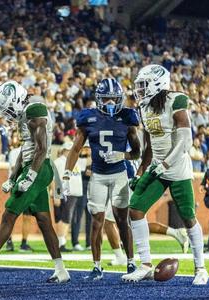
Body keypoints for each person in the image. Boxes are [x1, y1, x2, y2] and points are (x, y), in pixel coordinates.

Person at [0, 80, 70, 283]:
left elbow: (41, 148)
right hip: (35, 166)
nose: (7, 113)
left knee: (9, 213)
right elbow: (24, 151)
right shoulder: (25, 114)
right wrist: (12, 178)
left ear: (18, 99)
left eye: (8, 107)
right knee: (45, 222)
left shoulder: (34, 110)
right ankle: (61, 270)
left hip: (38, 168)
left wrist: (29, 177)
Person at [122, 65, 208, 285]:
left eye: (143, 85)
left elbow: (185, 141)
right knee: (136, 209)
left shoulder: (176, 100)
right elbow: (150, 142)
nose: (139, 90)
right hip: (158, 166)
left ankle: (200, 268)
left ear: (158, 83)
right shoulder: (145, 106)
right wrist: (143, 169)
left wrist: (167, 163)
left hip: (177, 167)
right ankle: (145, 265)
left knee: (188, 217)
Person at [63, 78, 141, 280]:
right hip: (98, 175)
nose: (110, 103)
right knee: (97, 221)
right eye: (106, 99)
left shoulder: (127, 117)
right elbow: (75, 149)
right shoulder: (88, 118)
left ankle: (131, 263)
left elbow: (137, 153)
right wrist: (66, 174)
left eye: (114, 99)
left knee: (122, 220)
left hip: (119, 175)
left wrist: (122, 155)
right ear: (99, 99)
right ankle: (96, 267)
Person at [5, 135, 34, 252]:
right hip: (17, 185)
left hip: (28, 186)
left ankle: (24, 242)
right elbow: (14, 169)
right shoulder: (15, 152)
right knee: (11, 215)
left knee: (27, 217)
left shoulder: (33, 152)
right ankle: (8, 241)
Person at [53, 142, 83, 252]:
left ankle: (62, 242)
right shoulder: (59, 162)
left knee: (65, 218)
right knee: (63, 218)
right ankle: (61, 243)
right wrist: (56, 195)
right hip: (65, 193)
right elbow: (55, 178)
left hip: (73, 193)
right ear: (65, 150)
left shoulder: (75, 161)